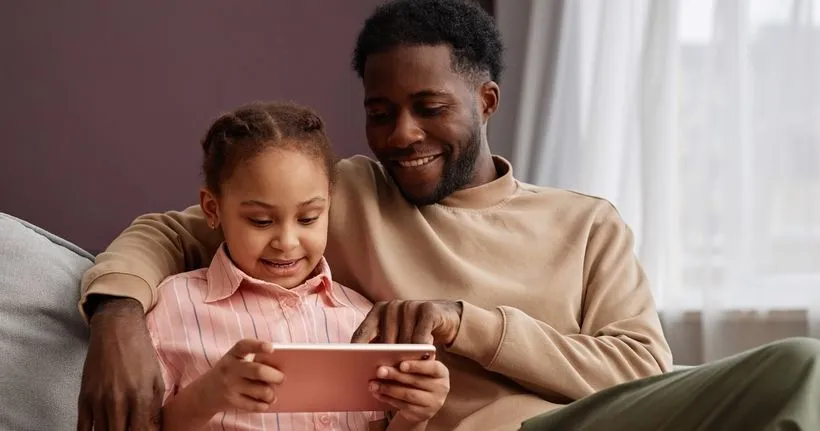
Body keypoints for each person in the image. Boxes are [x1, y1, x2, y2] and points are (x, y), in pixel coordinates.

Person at [77, 0, 820, 430]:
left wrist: (468, 322)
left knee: (800, 366)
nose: (402, 133)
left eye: (429, 108)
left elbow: (639, 367)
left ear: (485, 101)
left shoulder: (586, 224)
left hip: (585, 424)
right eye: (380, 112)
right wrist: (115, 320)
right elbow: (169, 231)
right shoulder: (339, 197)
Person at [145, 101, 450, 431]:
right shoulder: (174, 305)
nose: (287, 242)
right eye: (261, 221)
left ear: (329, 205)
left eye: (308, 218)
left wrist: (414, 416)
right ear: (212, 208)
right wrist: (210, 393)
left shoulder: (361, 320)